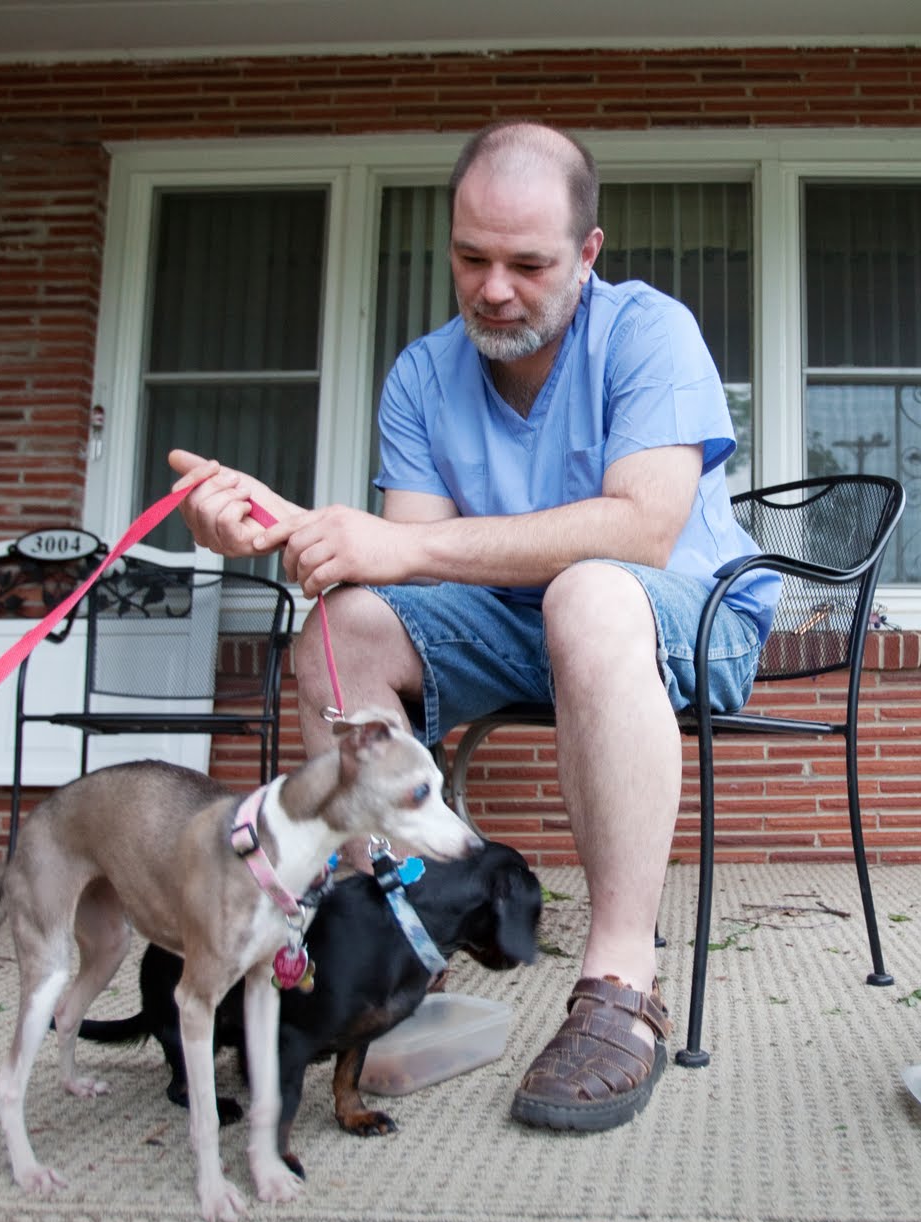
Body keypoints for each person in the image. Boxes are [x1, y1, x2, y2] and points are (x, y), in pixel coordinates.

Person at [169, 120, 779, 1133]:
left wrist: (403, 550)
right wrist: (286, 529)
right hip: (513, 623)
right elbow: (403, 570)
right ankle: (364, 924)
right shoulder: (421, 373)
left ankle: (622, 985)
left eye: (527, 263)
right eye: (469, 257)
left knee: (587, 588)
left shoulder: (647, 330)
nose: (492, 287)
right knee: (347, 621)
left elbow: (643, 526)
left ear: (586, 254)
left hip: (687, 615)